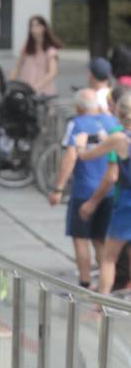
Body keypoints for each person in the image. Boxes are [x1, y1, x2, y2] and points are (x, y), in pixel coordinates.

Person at [47, 89, 116, 288]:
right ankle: (105, 287)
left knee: (80, 238)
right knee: (101, 239)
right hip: (109, 190)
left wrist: (58, 188)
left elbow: (70, 156)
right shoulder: (111, 123)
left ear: (78, 107)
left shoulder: (76, 124)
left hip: (84, 191)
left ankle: (85, 283)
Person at [73, 89, 131, 294]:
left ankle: (100, 307)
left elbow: (88, 155)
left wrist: (80, 146)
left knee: (109, 257)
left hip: (126, 202)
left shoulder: (119, 139)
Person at [9, 15, 61, 96]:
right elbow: (17, 68)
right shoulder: (26, 48)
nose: (33, 29)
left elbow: (52, 73)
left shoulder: (50, 50)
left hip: (43, 93)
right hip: (24, 91)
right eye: (31, 26)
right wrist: (8, 84)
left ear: (44, 28)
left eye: (37, 25)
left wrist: (35, 87)